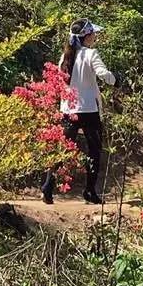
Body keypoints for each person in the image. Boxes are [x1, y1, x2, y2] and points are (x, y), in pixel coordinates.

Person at [41, 19, 116, 205]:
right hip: (89, 108)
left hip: (68, 108)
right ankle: (90, 191)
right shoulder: (91, 54)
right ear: (87, 36)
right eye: (93, 34)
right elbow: (103, 74)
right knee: (94, 150)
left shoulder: (65, 56)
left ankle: (48, 187)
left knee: (62, 149)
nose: (95, 37)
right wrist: (115, 79)